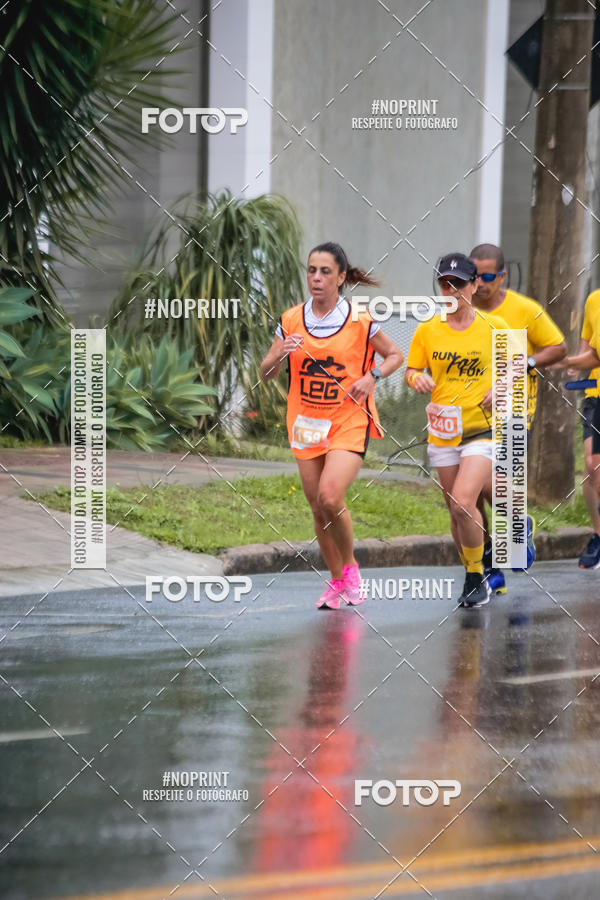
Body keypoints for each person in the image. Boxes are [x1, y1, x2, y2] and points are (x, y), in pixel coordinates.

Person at [260, 241, 403, 609]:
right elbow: (267, 372)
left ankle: (351, 569)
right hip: (307, 421)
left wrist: (372, 377)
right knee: (316, 507)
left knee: (330, 496)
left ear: (341, 277)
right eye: (312, 270)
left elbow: (395, 356)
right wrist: (277, 354)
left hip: (348, 420)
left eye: (325, 272)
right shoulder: (291, 319)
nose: (317, 278)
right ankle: (337, 580)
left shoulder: (360, 320)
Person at [405, 252, 507, 608]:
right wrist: (417, 378)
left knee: (464, 502)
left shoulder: (494, 328)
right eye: (444, 284)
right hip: (443, 431)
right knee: (456, 510)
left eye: (458, 284)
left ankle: (475, 576)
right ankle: (482, 558)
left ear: (475, 285)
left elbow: (513, 370)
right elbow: (411, 369)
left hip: (481, 430)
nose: (451, 291)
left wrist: (501, 387)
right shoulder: (427, 329)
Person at [470, 243, 567, 593]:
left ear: (503, 276)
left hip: (513, 412)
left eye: (488, 277)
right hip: (468, 414)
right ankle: (487, 560)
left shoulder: (524, 310)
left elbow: (558, 347)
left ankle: (513, 527)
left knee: (489, 482)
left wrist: (524, 362)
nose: (480, 283)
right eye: (475, 275)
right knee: (470, 494)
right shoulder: (460, 310)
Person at [555, 290, 600, 567]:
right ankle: (598, 535)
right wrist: (572, 365)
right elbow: (589, 352)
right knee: (592, 468)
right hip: (597, 394)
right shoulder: (594, 299)